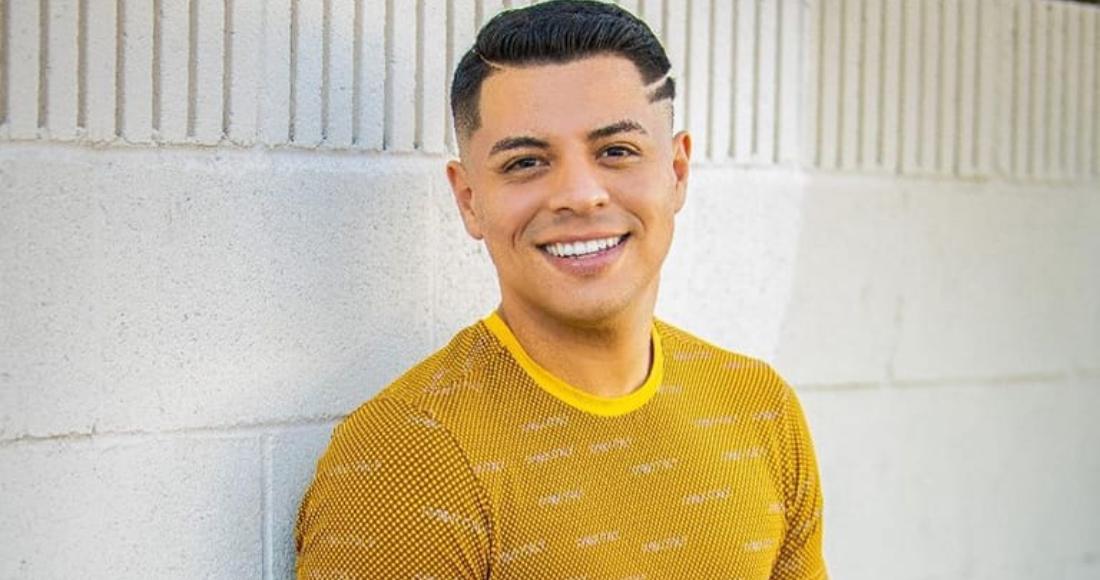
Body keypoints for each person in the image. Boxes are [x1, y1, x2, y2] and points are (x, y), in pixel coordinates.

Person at [294, 1, 826, 578]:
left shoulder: (757, 408)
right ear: (469, 199)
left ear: (676, 173)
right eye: (526, 162)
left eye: (616, 152)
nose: (579, 194)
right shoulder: (410, 457)